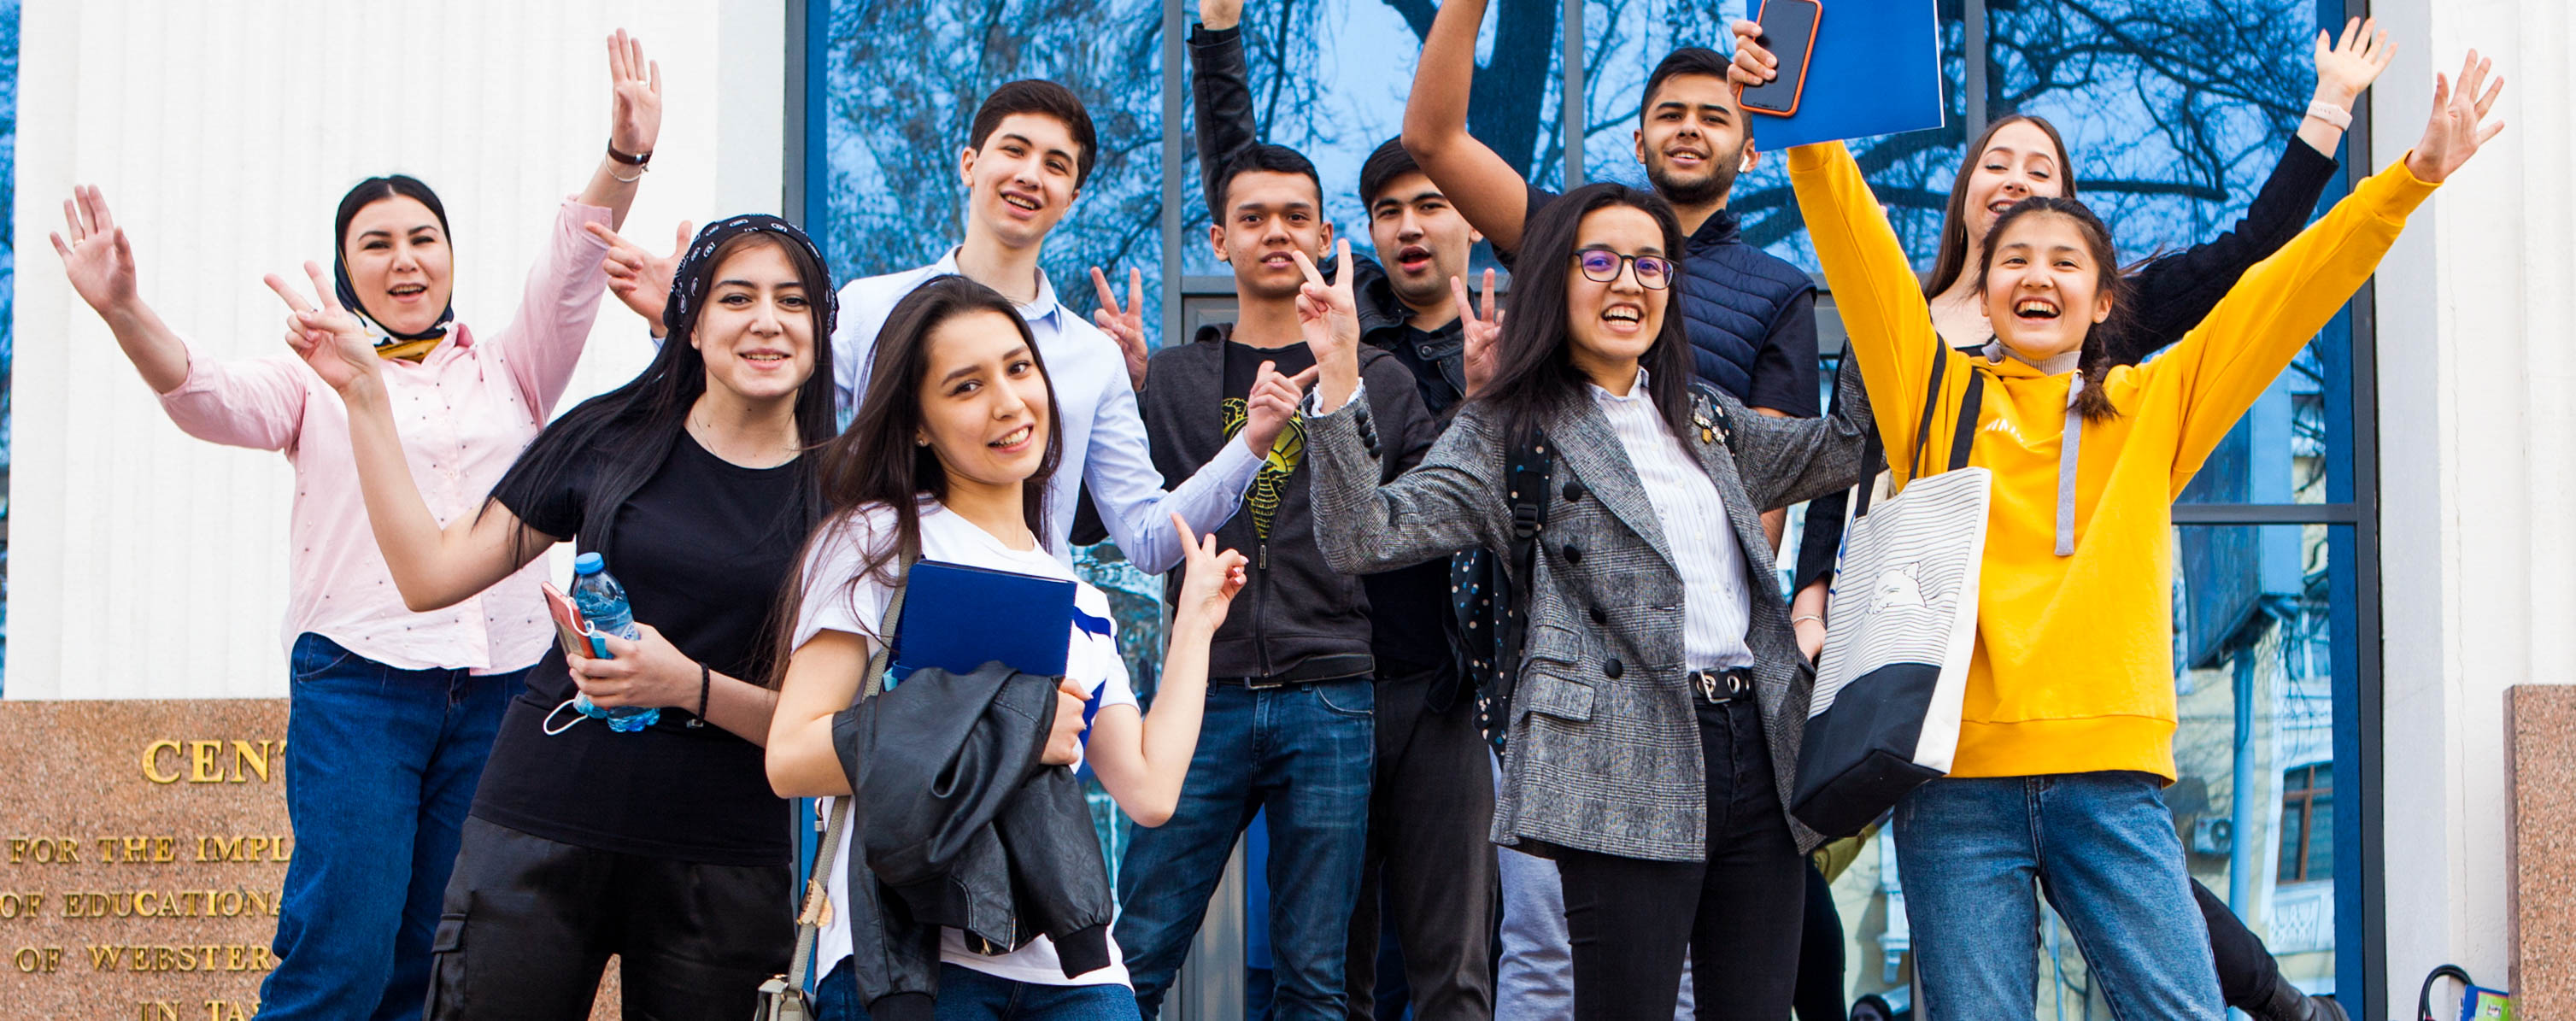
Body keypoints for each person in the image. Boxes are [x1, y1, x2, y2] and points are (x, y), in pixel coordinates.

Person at [1777, 49, 2501, 1020]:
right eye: (2015, 263)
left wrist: (2404, 182)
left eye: (2065, 262)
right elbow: (1853, 238)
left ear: (2104, 298)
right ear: (1983, 295)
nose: (2038, 277)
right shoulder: (1928, 391)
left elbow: (2280, 294)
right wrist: (1802, 115)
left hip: (2113, 783)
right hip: (1956, 787)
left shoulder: (2153, 403)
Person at [44, 32, 660, 1021]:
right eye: (375, 243)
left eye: (423, 237)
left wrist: (624, 157)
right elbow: (203, 393)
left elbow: (573, 261)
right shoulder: (312, 380)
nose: (404, 258)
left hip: (500, 687)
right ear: (344, 268)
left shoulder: (512, 367)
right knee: (342, 952)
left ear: (451, 255)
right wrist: (125, 310)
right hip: (361, 685)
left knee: (440, 960)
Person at [1302, 182, 1869, 1020]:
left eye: (1650, 265)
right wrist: (1342, 371)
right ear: (1554, 282)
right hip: (1617, 747)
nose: (1628, 283)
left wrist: (1879, 296)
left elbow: (1846, 445)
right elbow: (1361, 533)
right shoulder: (1510, 426)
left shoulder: (1701, 417)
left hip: (1757, 741)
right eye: (1598, 260)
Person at [274, 213, 840, 1018]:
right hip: (541, 820)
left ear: (821, 332)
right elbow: (431, 573)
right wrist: (366, 398)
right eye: (735, 297)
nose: (766, 320)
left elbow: (830, 728)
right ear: (690, 325)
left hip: (722, 857)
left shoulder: (846, 501)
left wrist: (687, 685)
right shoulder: (611, 437)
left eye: (792, 302)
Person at [765, 275, 1255, 1021]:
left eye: (1018, 368)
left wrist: (1194, 626)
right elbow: (791, 756)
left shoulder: (1076, 596)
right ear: (919, 422)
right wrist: (1013, 724)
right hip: (911, 954)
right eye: (965, 386)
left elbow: (1151, 791)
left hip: (1073, 960)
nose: (1007, 402)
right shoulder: (877, 538)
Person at [1183, 3, 1497, 1016]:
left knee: (1455, 962)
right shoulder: (1342, 335)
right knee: (1334, 965)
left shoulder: (1508, 349)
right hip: (1343, 686)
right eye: (1390, 209)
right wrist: (1219, 37)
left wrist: (1489, 396)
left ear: (1468, 215)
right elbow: (1251, 189)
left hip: (1444, 694)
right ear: (1358, 233)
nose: (1412, 224)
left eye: (1433, 203)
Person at [1112, 139, 1439, 1019]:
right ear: (1218, 240)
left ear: (1327, 233)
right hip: (1200, 694)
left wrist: (1346, 374)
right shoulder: (1172, 377)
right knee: (1130, 956)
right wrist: (1107, 389)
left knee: (1315, 977)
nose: (1276, 233)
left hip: (1330, 689)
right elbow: (1106, 521)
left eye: (1296, 216)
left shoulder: (1381, 378)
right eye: (1252, 218)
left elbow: (1410, 524)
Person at [1403, 0, 1819, 547]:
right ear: (1640, 143)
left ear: (1749, 154)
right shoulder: (1565, 237)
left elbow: (1771, 485)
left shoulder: (1781, 292)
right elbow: (1432, 140)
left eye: (1714, 117)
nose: (1690, 128)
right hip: (1561, 573)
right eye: (1670, 115)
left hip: (1697, 583)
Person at [834, 80, 1282, 576]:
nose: (1030, 175)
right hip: (878, 612)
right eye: (1014, 150)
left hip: (1033, 624)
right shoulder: (867, 309)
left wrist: (1251, 445)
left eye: (1054, 164)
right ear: (969, 164)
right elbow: (786, 442)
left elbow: (1148, 538)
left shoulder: (1093, 357)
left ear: (1070, 199)